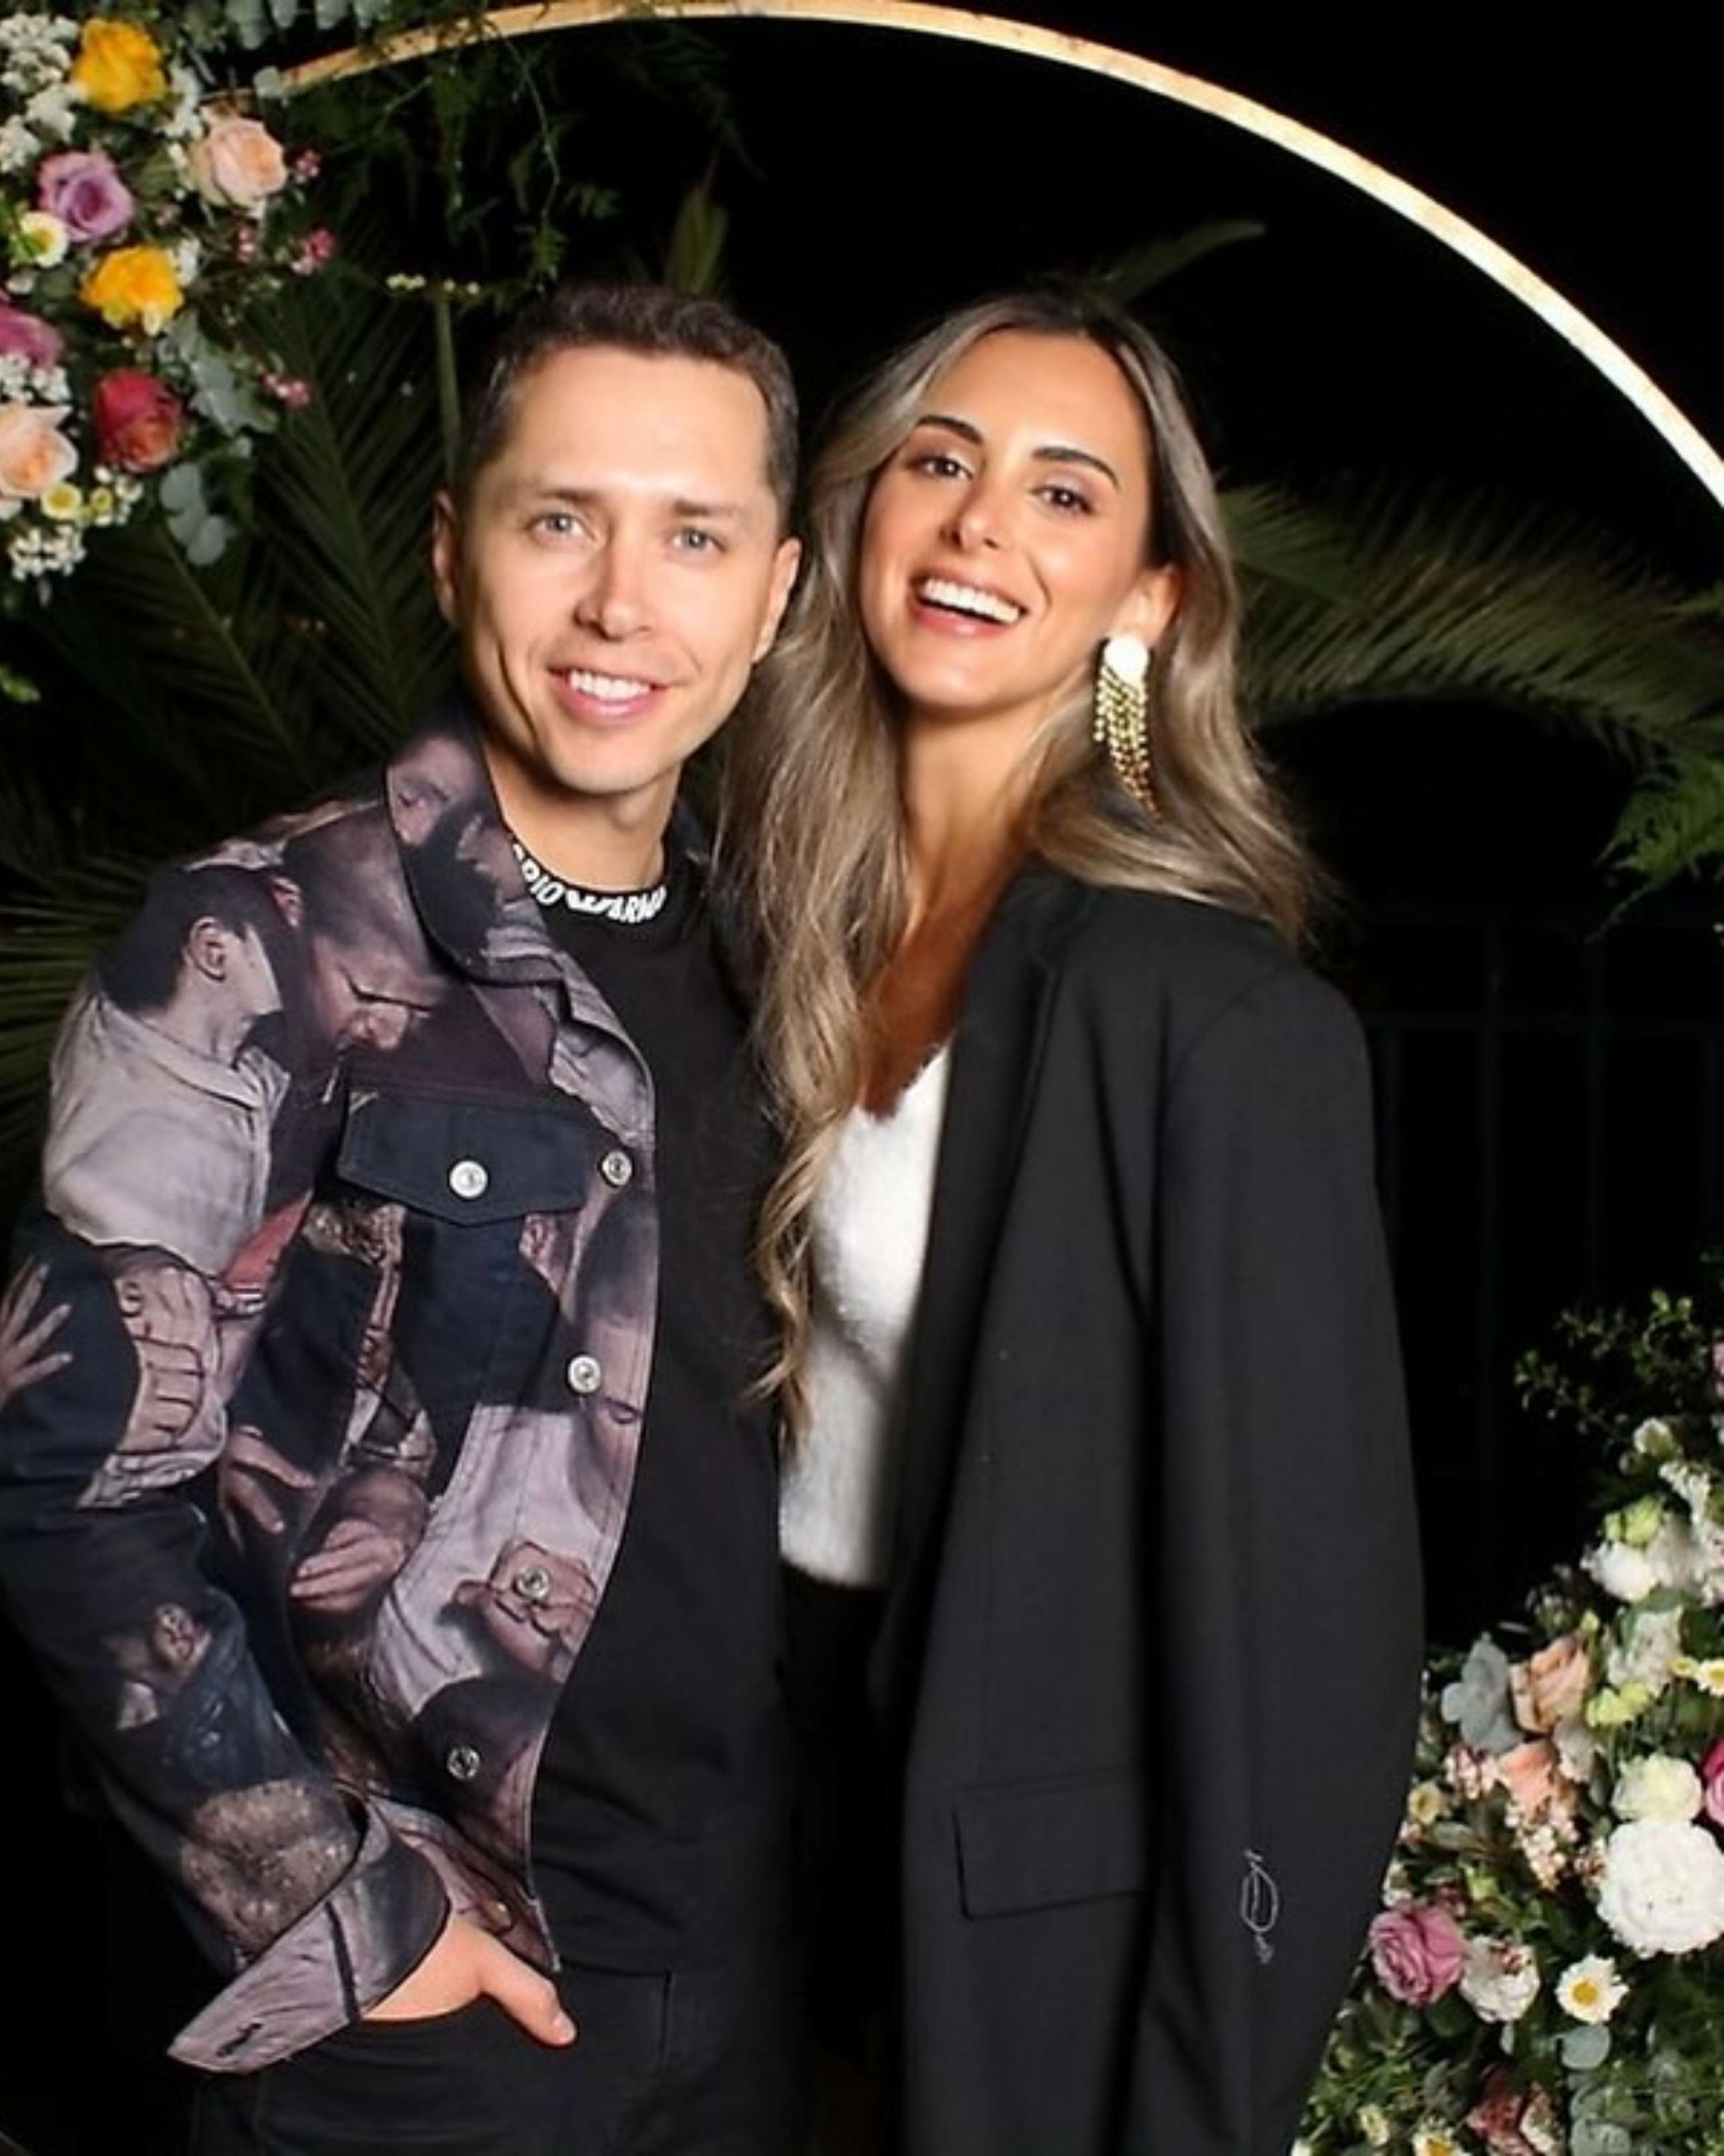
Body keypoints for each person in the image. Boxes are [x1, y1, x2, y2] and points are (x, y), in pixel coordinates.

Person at [0, 282, 805, 2155]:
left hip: (740, 1963)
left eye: (693, 536)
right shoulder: (257, 940)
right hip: (424, 1992)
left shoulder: (794, 961)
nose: (621, 602)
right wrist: (338, 1911)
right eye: (559, 519)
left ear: (774, 595)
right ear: (450, 549)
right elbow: (71, 1488)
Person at [723, 290, 1424, 2155]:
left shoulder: (1211, 1021)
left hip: (1013, 1928)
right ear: (857, 518)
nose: (980, 525)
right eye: (940, 463)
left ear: (1149, 600)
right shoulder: (757, 925)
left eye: (1063, 492)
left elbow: (1306, 1660)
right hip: (732, 1834)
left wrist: (1206, 2101)